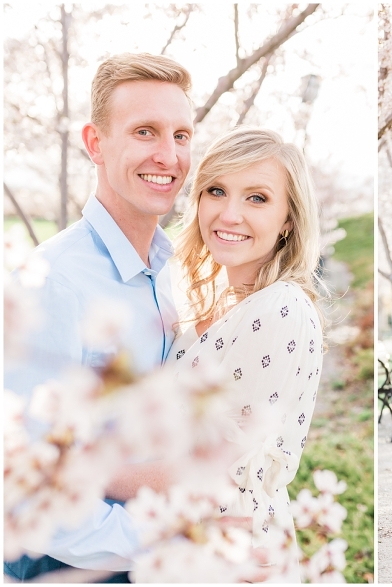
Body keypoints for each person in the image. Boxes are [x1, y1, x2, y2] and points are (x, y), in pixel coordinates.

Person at [3, 53, 193, 582]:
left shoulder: (168, 272)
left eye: (181, 135)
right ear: (95, 144)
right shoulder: (54, 283)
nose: (168, 155)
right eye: (145, 132)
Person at [106, 126, 325, 581]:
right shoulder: (209, 304)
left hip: (233, 549)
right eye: (216, 191)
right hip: (180, 537)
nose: (229, 213)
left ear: (288, 219)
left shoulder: (281, 307)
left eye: (257, 198)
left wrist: (83, 475)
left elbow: (207, 465)